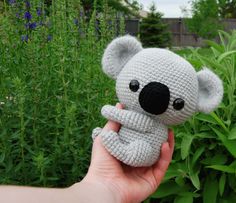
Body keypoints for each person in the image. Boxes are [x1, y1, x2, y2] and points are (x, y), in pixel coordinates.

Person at [0, 103, 174, 203]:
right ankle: (111, 142)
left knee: (135, 150)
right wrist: (106, 189)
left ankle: (115, 145)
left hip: (142, 151)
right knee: (110, 139)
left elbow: (130, 119)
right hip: (138, 161)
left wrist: (112, 112)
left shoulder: (151, 124)